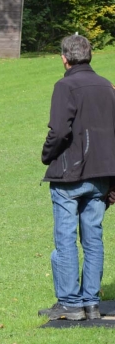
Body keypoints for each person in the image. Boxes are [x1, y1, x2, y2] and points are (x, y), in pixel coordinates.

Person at [38, 35, 115, 321]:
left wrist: (47, 155)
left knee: (66, 238)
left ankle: (71, 303)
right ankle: (91, 302)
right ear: (90, 55)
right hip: (101, 175)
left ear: (64, 58)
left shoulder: (65, 85)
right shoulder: (108, 87)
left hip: (71, 175)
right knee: (93, 238)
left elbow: (58, 131)